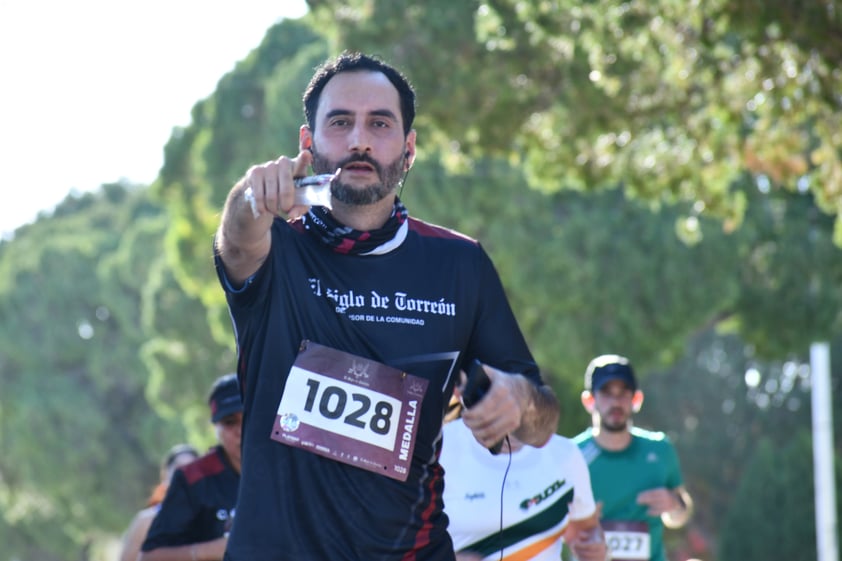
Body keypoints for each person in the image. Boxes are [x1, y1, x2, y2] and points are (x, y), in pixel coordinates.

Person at [213, 51, 560, 560]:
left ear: (409, 147)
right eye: (340, 122)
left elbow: (542, 422)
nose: (359, 140)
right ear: (308, 142)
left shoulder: (458, 263)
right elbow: (238, 243)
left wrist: (520, 401)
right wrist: (250, 195)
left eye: (380, 123)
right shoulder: (276, 251)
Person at [440, 391, 608, 561]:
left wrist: (594, 547)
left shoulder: (564, 452)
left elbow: (586, 531)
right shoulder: (438, 448)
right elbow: (413, 543)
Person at [574, 354, 693, 561]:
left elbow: (680, 515)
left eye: (623, 393)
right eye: (606, 392)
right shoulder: (571, 455)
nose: (616, 402)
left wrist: (675, 504)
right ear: (589, 400)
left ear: (636, 399)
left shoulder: (661, 449)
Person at [139, 374, 243, 561]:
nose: (241, 431)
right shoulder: (193, 479)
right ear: (215, 428)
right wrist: (211, 551)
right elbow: (149, 557)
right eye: (230, 422)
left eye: (249, 418)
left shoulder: (288, 469)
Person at [119, 444, 199, 561]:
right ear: (166, 473)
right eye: (178, 468)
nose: (184, 474)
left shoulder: (209, 520)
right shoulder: (145, 522)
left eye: (192, 468)